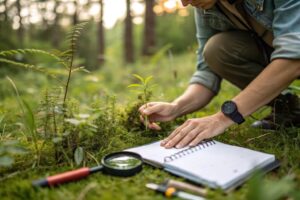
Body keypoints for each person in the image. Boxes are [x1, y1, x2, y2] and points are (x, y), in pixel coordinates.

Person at [139, 0, 300, 149]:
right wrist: (177, 107)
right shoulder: (206, 6)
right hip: (276, 53)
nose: (184, 3)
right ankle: (290, 108)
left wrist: (222, 118)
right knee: (216, 49)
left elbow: (293, 56)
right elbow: (206, 72)